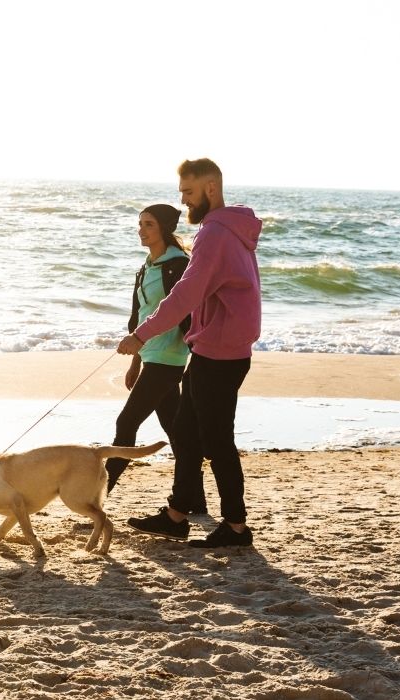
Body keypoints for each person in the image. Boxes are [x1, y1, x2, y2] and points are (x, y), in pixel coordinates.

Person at [116, 158, 262, 548]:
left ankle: (235, 527)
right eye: (181, 192)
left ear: (211, 189)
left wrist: (141, 336)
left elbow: (185, 294)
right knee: (184, 430)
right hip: (215, 344)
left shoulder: (216, 233)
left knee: (217, 440)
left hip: (221, 349)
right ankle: (177, 516)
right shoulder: (231, 229)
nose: (183, 201)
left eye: (189, 192)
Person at [104, 204, 197, 504]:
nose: (141, 230)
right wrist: (136, 362)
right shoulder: (146, 267)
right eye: (140, 223)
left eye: (149, 225)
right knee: (176, 432)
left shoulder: (179, 265)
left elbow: (184, 311)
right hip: (151, 357)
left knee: (126, 423)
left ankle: (99, 496)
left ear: (165, 229)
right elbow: (140, 317)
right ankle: (195, 499)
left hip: (170, 357)